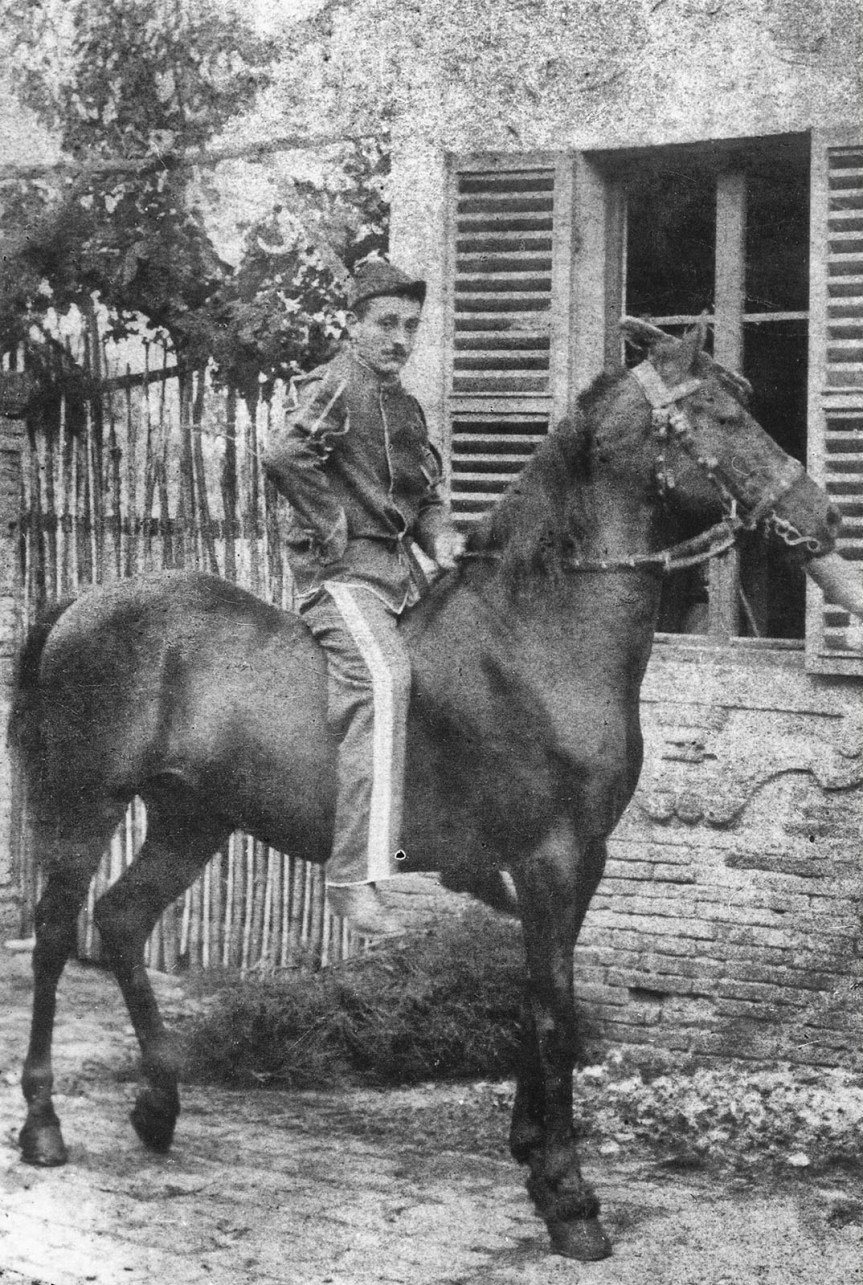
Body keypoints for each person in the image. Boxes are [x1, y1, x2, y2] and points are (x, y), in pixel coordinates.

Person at [263, 261, 465, 937]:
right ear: (353, 325)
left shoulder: (406, 407)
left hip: (402, 578)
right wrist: (332, 528)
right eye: (385, 323)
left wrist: (442, 539)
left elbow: (425, 496)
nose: (400, 338)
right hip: (344, 578)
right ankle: (352, 878)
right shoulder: (335, 383)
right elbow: (284, 454)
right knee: (383, 680)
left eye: (410, 326)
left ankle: (465, 852)